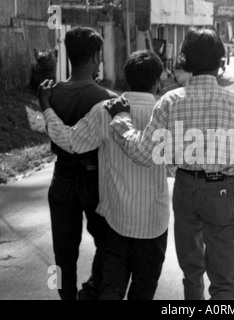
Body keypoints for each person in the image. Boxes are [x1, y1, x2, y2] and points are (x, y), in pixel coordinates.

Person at [106, 27, 234, 300]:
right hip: (221, 192)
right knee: (224, 281)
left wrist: (121, 121)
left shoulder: (170, 102)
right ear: (220, 62)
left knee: (192, 273)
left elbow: (145, 153)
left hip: (185, 189)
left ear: (187, 60)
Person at [38, 50, 170, 300]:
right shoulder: (167, 113)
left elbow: (69, 141)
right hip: (154, 222)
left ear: (125, 78)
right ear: (157, 81)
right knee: (144, 289)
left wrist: (46, 106)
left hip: (117, 221)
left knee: (110, 288)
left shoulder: (105, 110)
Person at [39, 26, 118, 300]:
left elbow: (50, 131)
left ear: (68, 55)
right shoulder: (105, 99)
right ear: (97, 55)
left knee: (63, 253)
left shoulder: (51, 95)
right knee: (109, 244)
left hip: (60, 178)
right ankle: (93, 289)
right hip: (95, 180)